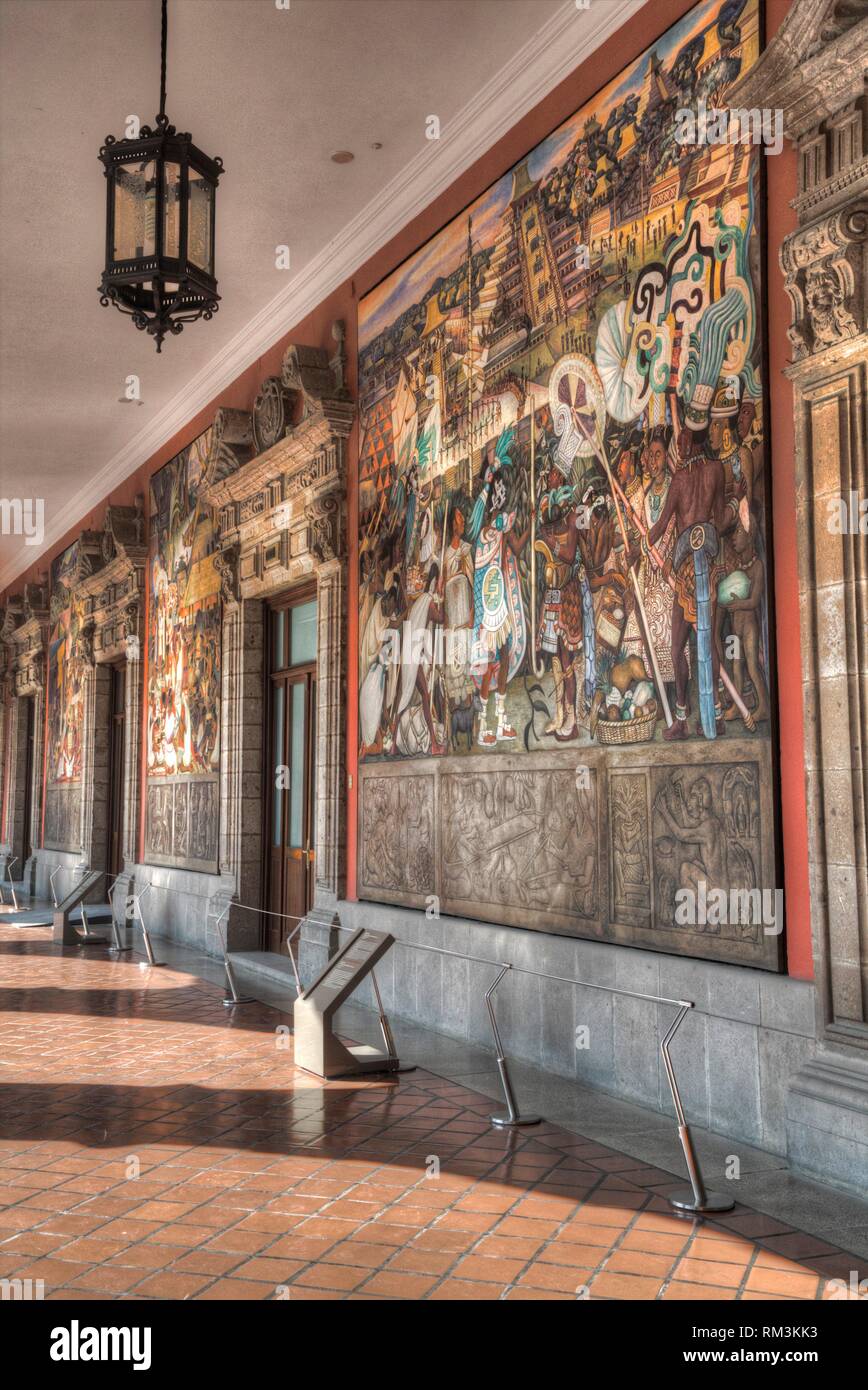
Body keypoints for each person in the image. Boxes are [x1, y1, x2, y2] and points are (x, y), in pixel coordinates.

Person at [647, 388, 728, 739]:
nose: (678, 446)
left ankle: (683, 716)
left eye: (682, 439)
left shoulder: (680, 478)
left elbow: (661, 526)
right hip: (705, 567)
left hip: (687, 573)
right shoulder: (716, 471)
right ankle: (714, 714)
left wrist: (644, 540)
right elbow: (721, 520)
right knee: (707, 643)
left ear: (693, 439)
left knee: (681, 646)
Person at [468, 429, 529, 746]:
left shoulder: (492, 527)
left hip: (497, 604)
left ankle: (501, 720)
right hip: (491, 606)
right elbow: (511, 539)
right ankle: (483, 726)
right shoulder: (490, 528)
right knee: (491, 662)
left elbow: (512, 547)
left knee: (502, 658)